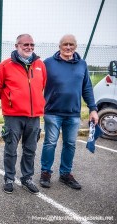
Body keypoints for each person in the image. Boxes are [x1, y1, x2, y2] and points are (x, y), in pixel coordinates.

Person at [39, 34, 98, 190]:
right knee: (50, 143)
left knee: (70, 144)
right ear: (59, 46)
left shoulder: (82, 65)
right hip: (52, 112)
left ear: (76, 47)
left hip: (73, 114)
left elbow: (87, 88)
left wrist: (93, 109)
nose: (68, 47)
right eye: (65, 44)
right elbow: (37, 84)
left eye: (71, 44)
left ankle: (65, 173)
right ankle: (45, 172)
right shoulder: (48, 63)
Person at [0, 34, 47, 195]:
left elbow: (42, 85)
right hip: (13, 116)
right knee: (11, 148)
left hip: (34, 116)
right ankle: (9, 179)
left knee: (30, 149)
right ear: (16, 45)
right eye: (25, 44)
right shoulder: (6, 65)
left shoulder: (40, 64)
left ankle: (27, 178)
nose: (29, 47)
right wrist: (11, 100)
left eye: (32, 44)